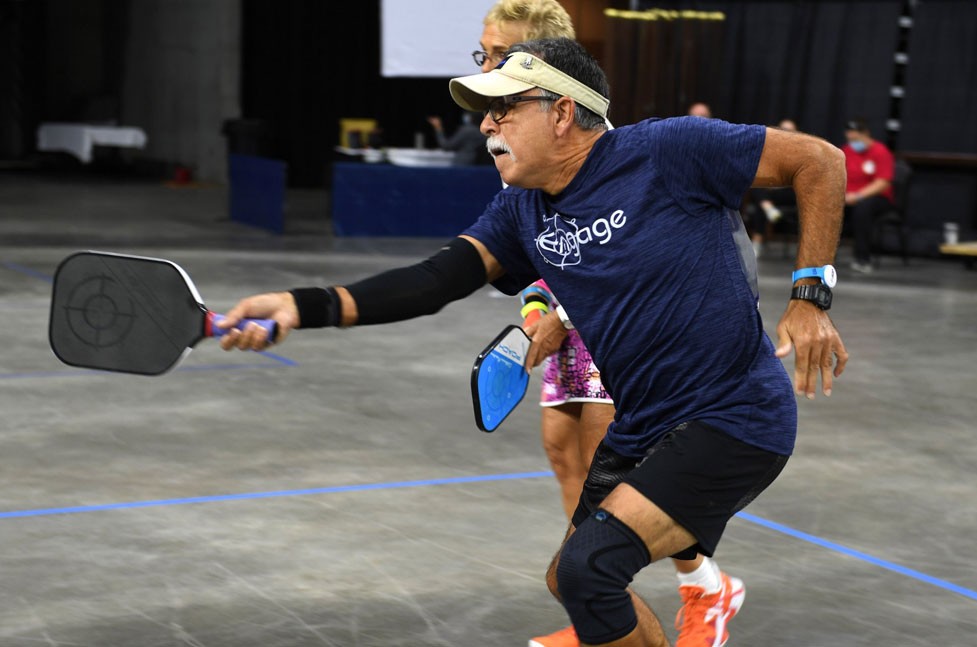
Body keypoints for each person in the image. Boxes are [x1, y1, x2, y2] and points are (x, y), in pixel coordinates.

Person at [219, 38, 848, 647]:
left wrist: (809, 296)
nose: (489, 125)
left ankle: (706, 595)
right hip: (644, 427)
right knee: (568, 578)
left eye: (504, 108)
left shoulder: (664, 150)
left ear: (563, 113)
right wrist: (302, 306)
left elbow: (818, 161)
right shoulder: (520, 211)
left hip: (733, 415)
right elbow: (432, 282)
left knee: (589, 570)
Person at [472, 5, 731, 645]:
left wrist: (560, 313)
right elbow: (542, 246)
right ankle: (594, 613)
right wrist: (538, 307)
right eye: (482, 55)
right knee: (563, 455)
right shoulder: (512, 128)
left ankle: (705, 586)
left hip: (616, 334)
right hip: (565, 327)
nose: (485, 68)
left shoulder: (600, 140)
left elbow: (613, 255)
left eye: (497, 54)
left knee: (609, 471)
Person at [841, 119, 895, 273]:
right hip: (847, 196)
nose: (853, 142)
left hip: (876, 198)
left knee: (863, 208)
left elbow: (883, 182)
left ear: (866, 134)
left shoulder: (880, 151)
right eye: (850, 139)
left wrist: (858, 196)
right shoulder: (845, 151)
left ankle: (862, 259)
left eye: (856, 139)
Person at [746, 118, 799, 256]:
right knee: (756, 187)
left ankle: (757, 241)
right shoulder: (768, 150)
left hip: (789, 191)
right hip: (769, 189)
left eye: (789, 131)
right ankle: (767, 207)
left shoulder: (799, 152)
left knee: (762, 199)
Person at [426, 112, 492, 165]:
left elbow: (446, 145)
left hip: (462, 165)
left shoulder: (467, 130)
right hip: (478, 164)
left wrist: (438, 128)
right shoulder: (482, 132)